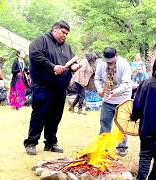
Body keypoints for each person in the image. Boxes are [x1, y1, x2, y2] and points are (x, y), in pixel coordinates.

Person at [23, 20, 80, 155]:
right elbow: (35, 55)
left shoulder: (67, 47)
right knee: (40, 114)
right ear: (55, 29)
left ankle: (50, 143)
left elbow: (72, 61)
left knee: (55, 116)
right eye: (63, 32)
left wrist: (74, 66)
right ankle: (31, 142)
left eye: (67, 34)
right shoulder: (41, 41)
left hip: (60, 88)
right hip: (43, 86)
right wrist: (52, 66)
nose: (65, 35)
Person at [94, 47, 132, 156]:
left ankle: (122, 146)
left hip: (122, 98)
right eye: (107, 62)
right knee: (105, 121)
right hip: (107, 98)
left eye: (111, 62)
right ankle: (103, 145)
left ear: (116, 55)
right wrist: (100, 90)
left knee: (122, 123)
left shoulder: (124, 64)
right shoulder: (101, 64)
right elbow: (97, 79)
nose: (109, 64)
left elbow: (126, 84)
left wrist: (114, 92)